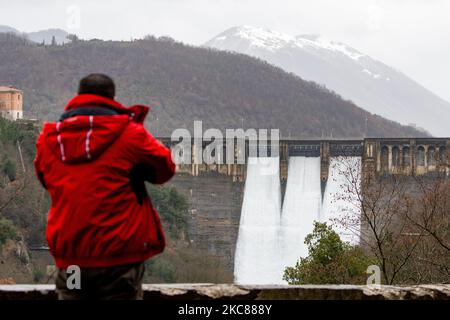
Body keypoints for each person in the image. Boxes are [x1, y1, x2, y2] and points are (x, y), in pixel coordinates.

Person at [34, 74, 175, 300]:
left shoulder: (50, 139)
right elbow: (165, 168)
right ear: (113, 98)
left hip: (73, 262)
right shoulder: (130, 134)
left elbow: (45, 179)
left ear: (78, 97)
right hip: (118, 262)